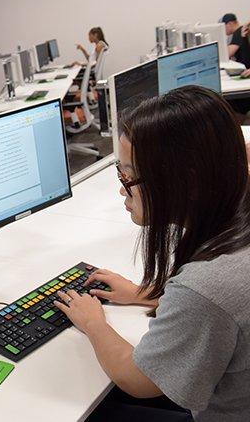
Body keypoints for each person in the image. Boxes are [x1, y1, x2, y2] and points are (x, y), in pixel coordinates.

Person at [54, 86, 250, 421]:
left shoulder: (206, 285)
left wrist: (93, 322)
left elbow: (138, 380)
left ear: (184, 182)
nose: (121, 187)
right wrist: (149, 295)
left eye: (128, 174)